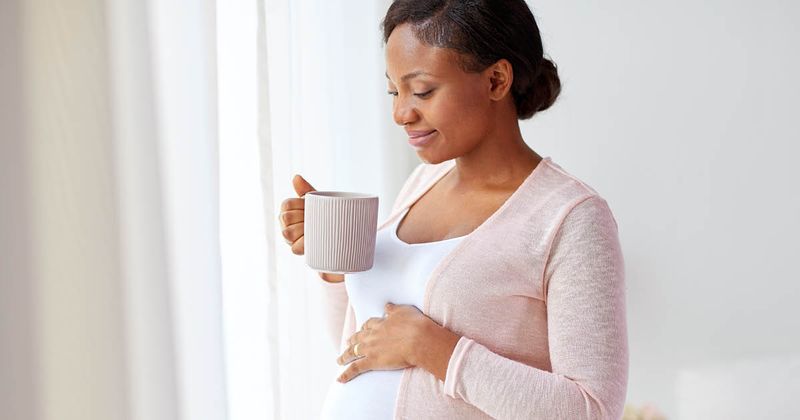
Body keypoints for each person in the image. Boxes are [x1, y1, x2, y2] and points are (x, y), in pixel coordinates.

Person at [278, 0, 628, 418]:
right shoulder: (422, 184)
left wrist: (434, 349)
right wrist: (335, 267)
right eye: (394, 90)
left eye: (422, 90)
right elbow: (360, 353)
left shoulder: (571, 218)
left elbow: (592, 410)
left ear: (496, 80)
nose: (400, 113)